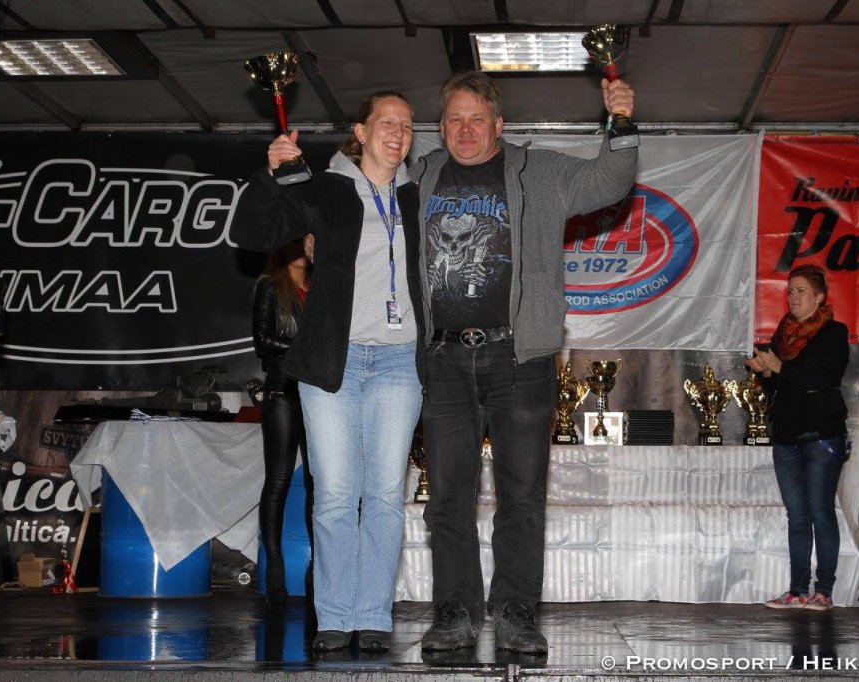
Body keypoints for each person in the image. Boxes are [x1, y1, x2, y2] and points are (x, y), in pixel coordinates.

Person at [413, 71, 638, 654]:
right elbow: (360, 193)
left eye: (477, 119)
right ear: (441, 127)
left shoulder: (540, 171)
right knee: (447, 497)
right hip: (442, 358)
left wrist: (621, 124)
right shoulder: (420, 175)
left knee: (521, 495)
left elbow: (610, 181)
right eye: (455, 119)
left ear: (499, 125)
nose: (466, 130)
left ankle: (515, 610)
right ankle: (455, 611)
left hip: (520, 356)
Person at [230, 91, 424, 653]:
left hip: (399, 360)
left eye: (407, 126)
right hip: (331, 361)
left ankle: (374, 615)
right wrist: (269, 174)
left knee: (384, 495)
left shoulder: (419, 196)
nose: (398, 133)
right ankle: (336, 615)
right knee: (336, 494)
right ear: (360, 132)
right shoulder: (324, 189)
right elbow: (250, 234)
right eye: (387, 122)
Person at [746, 264, 849, 612]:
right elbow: (782, 384)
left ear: (819, 297)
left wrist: (781, 368)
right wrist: (765, 373)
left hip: (821, 433)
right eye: (790, 290)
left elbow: (825, 378)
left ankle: (825, 590)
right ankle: (797, 589)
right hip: (787, 433)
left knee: (821, 512)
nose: (792, 296)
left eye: (800, 291)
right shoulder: (783, 335)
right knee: (797, 515)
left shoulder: (834, 332)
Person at [252, 238, 311, 607]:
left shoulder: (322, 287)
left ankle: (317, 569)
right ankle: (274, 566)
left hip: (319, 394)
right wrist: (305, 352)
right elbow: (262, 341)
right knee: (278, 479)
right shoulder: (271, 287)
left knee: (319, 483)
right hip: (283, 390)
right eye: (300, 241)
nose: (306, 248)